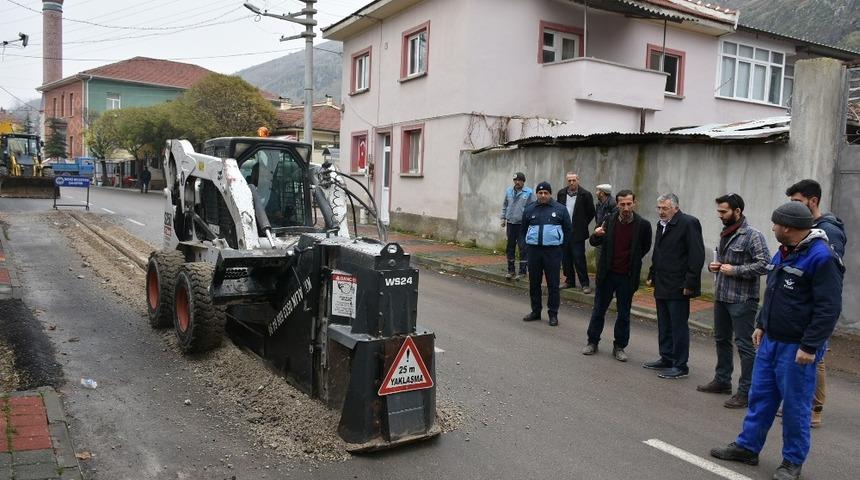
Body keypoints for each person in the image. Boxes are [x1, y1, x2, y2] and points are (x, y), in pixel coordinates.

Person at [710, 202, 844, 480]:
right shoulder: (785, 251)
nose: (772, 228)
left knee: (795, 407)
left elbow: (828, 308)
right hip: (771, 340)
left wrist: (810, 346)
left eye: (776, 224)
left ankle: (792, 462)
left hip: (797, 348)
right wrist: (761, 324)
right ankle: (748, 447)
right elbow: (772, 291)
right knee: (760, 398)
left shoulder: (821, 258)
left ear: (789, 227)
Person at [696, 194, 770, 408]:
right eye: (719, 211)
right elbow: (724, 261)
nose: (719, 215)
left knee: (745, 346)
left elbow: (765, 264)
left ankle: (746, 392)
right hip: (721, 297)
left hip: (742, 300)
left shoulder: (752, 235)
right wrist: (715, 266)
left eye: (723, 211)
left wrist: (735, 270)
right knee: (721, 339)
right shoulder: (726, 232)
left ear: (737, 211)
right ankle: (722, 381)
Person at [785, 179, 846, 427]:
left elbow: (831, 273)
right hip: (799, 305)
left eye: (798, 203)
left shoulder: (828, 231)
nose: (794, 209)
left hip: (815, 306)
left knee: (815, 356)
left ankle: (814, 410)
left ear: (813, 201)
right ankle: (801, 403)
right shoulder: (806, 226)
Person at [582, 189, 652, 361]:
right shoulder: (609, 219)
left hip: (627, 277)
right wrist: (596, 234)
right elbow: (594, 241)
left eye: (629, 203)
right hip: (607, 274)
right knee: (599, 310)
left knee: (623, 314)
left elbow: (644, 248)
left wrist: (631, 261)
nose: (626, 207)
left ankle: (619, 346)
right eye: (622, 204)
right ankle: (592, 342)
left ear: (634, 203)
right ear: (618, 204)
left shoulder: (643, 225)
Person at [643, 193, 705, 379]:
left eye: (665, 208)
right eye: (659, 208)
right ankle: (666, 357)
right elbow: (659, 252)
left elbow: (697, 255)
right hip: (662, 282)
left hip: (679, 284)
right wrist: (652, 274)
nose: (661, 212)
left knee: (678, 326)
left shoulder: (688, 223)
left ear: (675, 208)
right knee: (664, 323)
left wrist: (690, 283)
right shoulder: (661, 225)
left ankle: (680, 365)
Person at [522, 181, 571, 327]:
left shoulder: (560, 209)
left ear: (550, 194)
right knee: (534, 283)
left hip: (553, 252)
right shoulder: (529, 209)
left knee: (553, 284)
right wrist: (527, 245)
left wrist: (560, 247)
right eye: (540, 193)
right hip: (534, 251)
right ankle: (536, 311)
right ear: (537, 194)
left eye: (546, 193)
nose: (543, 195)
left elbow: (568, 230)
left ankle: (553, 314)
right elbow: (523, 229)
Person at [557, 172, 595, 293]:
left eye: (574, 180)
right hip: (564, 231)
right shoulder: (562, 193)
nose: (572, 183)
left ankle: (585, 283)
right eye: (569, 181)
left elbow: (591, 212)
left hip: (578, 232)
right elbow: (558, 209)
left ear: (578, 180)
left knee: (579, 258)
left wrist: (581, 224)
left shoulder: (585, 195)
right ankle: (569, 281)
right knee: (565, 258)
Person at [501, 172, 536, 280]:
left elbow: (533, 208)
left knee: (523, 248)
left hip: (522, 225)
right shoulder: (509, 191)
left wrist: (531, 222)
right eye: (515, 180)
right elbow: (505, 205)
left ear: (523, 181)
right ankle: (511, 270)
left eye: (519, 180)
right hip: (511, 223)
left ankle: (522, 271)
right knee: (510, 247)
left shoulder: (529, 192)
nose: (517, 182)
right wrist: (503, 218)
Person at [593, 184, 616, 265]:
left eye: (598, 191)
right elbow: (598, 218)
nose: (596, 193)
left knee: (604, 262)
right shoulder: (599, 203)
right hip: (599, 234)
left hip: (607, 236)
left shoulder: (612, 204)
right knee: (598, 261)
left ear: (602, 193)